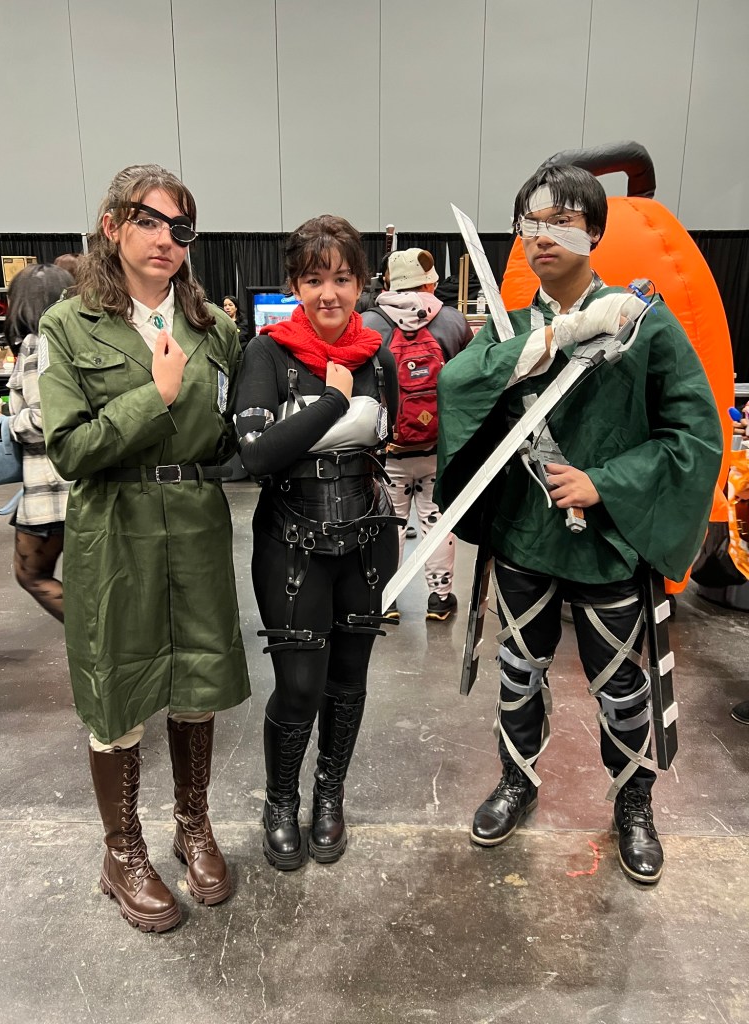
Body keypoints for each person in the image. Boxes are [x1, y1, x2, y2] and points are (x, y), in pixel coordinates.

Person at [435, 164, 723, 884]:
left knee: (622, 687)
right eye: (530, 224)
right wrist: (561, 335)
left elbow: (695, 434)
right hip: (526, 536)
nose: (543, 237)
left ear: (592, 231)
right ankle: (516, 780)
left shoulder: (643, 323)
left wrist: (606, 482)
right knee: (518, 672)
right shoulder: (513, 331)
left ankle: (634, 803)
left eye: (561, 222)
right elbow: (457, 386)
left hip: (607, 544)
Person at [38, 163, 250, 932]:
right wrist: (153, 395)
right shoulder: (68, 326)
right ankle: (121, 850)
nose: (166, 239)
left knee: (197, 677)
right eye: (149, 220)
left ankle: (193, 825)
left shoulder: (215, 328)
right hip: (115, 523)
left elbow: (229, 434)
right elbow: (70, 448)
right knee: (117, 685)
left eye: (180, 227)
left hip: (194, 519)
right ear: (112, 226)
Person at [236, 214, 399, 871]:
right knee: (300, 687)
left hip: (367, 542)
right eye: (313, 279)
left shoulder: (378, 354)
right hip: (290, 545)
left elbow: (384, 438)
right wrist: (333, 403)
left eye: (342, 278)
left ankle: (330, 794)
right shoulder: (266, 354)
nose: (328, 292)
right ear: (294, 285)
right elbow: (256, 455)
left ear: (361, 283)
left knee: (349, 681)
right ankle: (281, 800)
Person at [362, 248, 472, 621]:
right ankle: (439, 599)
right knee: (435, 521)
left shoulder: (369, 323)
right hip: (438, 449)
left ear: (389, 282)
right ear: (429, 283)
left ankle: (387, 600)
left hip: (389, 451)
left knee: (390, 521)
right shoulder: (453, 321)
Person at [0, 263, 74, 620]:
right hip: (70, 484)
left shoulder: (38, 344)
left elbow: (47, 419)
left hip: (51, 488)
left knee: (31, 574)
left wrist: (1, 422)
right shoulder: (69, 338)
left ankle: (99, 640)